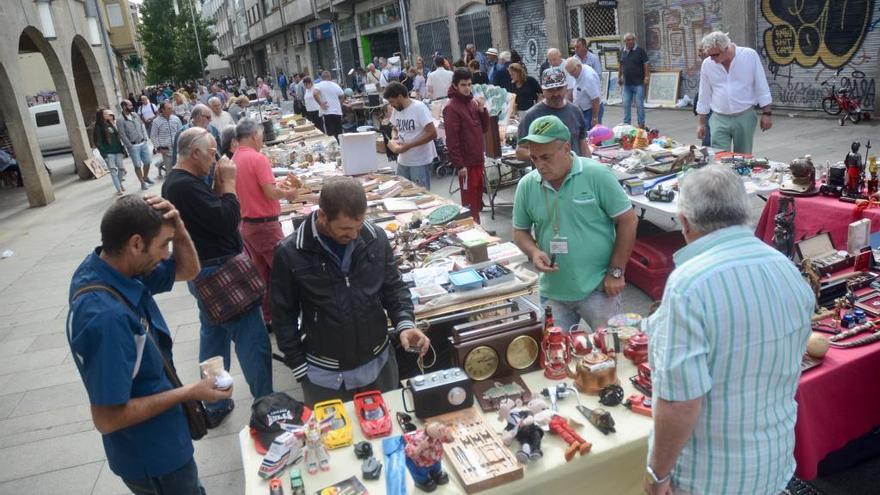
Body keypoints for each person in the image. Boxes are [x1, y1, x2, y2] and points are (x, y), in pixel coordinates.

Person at [642, 165, 813, 495]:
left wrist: (657, 475)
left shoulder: (688, 285)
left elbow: (680, 402)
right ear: (745, 213)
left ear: (685, 222)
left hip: (711, 477)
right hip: (772, 462)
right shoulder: (785, 267)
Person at [67, 194, 227, 495]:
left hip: (162, 440)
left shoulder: (114, 269)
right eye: (164, 244)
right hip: (153, 455)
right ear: (136, 243)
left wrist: (178, 228)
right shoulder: (106, 317)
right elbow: (107, 418)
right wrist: (189, 392)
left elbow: (188, 270)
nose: (168, 254)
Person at [271, 176, 430, 404]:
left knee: (390, 432)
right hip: (325, 377)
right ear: (323, 216)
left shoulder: (374, 237)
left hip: (379, 365)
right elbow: (282, 315)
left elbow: (393, 287)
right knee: (336, 438)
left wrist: (405, 324)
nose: (354, 235)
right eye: (345, 229)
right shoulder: (290, 253)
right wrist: (298, 366)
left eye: (358, 226)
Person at [162, 127, 274, 427]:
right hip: (220, 272)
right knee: (252, 339)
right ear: (194, 153)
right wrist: (228, 182)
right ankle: (266, 404)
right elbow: (227, 220)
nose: (216, 158)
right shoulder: (183, 185)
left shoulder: (182, 182)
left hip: (206, 271)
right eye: (212, 152)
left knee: (213, 338)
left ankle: (214, 402)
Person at [513, 115, 638, 332]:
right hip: (553, 291)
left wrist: (616, 272)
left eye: (546, 157)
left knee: (611, 351)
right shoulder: (527, 185)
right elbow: (519, 230)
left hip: (599, 288)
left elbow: (628, 220)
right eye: (534, 158)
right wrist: (533, 252)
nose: (540, 166)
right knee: (555, 356)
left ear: (567, 148)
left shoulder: (596, 174)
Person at [232, 118, 300, 326]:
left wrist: (278, 186)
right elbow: (270, 193)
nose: (261, 141)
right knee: (284, 272)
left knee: (264, 274)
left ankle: (269, 317)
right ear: (255, 135)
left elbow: (253, 188)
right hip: (264, 225)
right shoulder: (257, 158)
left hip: (247, 224)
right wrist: (288, 193)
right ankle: (289, 319)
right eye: (260, 137)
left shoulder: (234, 159)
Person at [696, 31, 772, 154]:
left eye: (715, 55)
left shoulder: (749, 56)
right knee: (719, 157)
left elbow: (761, 84)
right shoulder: (708, 64)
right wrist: (701, 123)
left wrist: (767, 113)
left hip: (745, 116)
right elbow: (704, 94)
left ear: (726, 48)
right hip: (719, 117)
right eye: (709, 55)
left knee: (742, 157)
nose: (712, 59)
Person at [443, 68, 489, 223]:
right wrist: (459, 164)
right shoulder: (451, 107)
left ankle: (478, 228)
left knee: (477, 198)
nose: (467, 88)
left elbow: (484, 128)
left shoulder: (472, 101)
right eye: (463, 84)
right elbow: (452, 140)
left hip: (477, 159)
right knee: (469, 202)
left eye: (469, 84)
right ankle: (473, 231)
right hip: (466, 163)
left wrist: (482, 111)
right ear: (455, 85)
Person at [516, 67, 590, 160]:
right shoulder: (531, 116)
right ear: (543, 90)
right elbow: (520, 152)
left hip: (575, 172)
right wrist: (543, 155)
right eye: (550, 90)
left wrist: (590, 166)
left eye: (559, 88)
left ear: (566, 87)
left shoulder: (575, 111)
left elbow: (583, 144)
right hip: (546, 173)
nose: (555, 94)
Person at [384, 82, 438, 189]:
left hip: (419, 161)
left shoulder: (419, 108)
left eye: (392, 102)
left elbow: (432, 133)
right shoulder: (397, 110)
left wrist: (409, 145)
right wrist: (394, 137)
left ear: (400, 96)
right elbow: (395, 128)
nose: (391, 105)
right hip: (403, 160)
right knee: (403, 192)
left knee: (420, 195)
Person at [119, 99, 155, 191]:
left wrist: (145, 137)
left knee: (147, 162)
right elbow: (122, 135)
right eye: (130, 105)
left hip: (143, 143)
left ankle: (145, 177)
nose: (132, 107)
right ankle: (142, 183)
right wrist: (129, 145)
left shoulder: (135, 115)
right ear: (124, 107)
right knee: (137, 165)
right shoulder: (120, 120)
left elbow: (141, 126)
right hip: (133, 146)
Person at [618, 33, 650, 129]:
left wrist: (646, 77)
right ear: (625, 42)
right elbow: (620, 65)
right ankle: (627, 124)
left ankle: (641, 124)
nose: (630, 41)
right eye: (628, 40)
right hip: (627, 84)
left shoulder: (640, 51)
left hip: (638, 83)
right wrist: (619, 76)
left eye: (632, 39)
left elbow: (646, 64)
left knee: (639, 104)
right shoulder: (622, 51)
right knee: (626, 104)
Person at [94, 109, 127, 196]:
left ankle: (119, 184)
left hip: (117, 151)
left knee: (121, 169)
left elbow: (117, 137)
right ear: (101, 115)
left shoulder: (110, 124)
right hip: (109, 153)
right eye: (106, 114)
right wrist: (104, 154)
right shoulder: (98, 127)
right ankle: (118, 189)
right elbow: (98, 142)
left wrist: (122, 149)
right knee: (113, 171)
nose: (108, 114)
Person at [565, 57, 603, 128]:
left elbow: (595, 99)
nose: (571, 75)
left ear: (578, 66)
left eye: (572, 72)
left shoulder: (589, 78)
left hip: (591, 109)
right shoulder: (578, 72)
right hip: (583, 108)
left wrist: (594, 118)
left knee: (592, 134)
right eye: (569, 73)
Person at [149, 101, 182, 179]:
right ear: (162, 110)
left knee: (181, 171)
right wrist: (159, 148)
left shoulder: (176, 119)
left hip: (178, 150)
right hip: (167, 151)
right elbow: (153, 136)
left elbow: (181, 132)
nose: (171, 109)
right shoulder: (156, 121)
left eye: (171, 108)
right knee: (170, 173)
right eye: (169, 108)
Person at [312, 71, 345, 140]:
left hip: (327, 112)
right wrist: (340, 105)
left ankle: (335, 149)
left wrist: (321, 104)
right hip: (337, 112)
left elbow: (315, 94)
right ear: (330, 77)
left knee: (331, 134)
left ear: (322, 78)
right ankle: (341, 148)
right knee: (339, 134)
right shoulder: (335, 85)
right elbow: (342, 95)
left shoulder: (319, 85)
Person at [692, 47, 712, 147]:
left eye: (701, 50)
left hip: (713, 107)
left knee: (709, 134)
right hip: (706, 107)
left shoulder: (714, 64)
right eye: (698, 50)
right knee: (707, 133)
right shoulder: (705, 64)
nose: (699, 54)